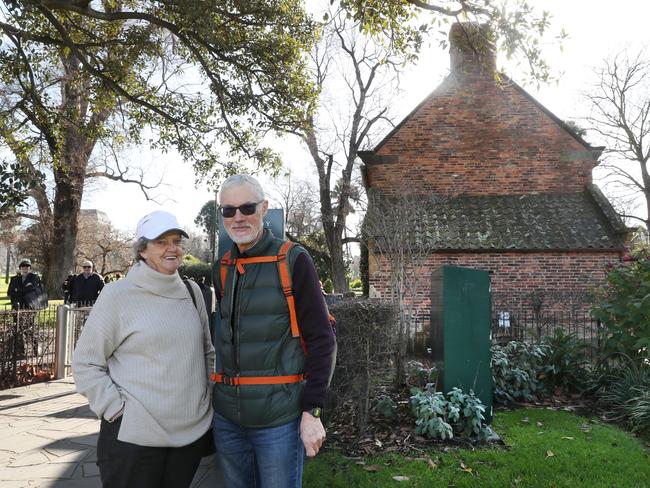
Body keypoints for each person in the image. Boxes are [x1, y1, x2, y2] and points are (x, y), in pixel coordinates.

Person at [72, 210, 215, 488]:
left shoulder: (192, 292)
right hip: (133, 440)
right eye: (162, 242)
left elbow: (206, 353)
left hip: (188, 438)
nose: (172, 248)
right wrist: (114, 409)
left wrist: (205, 401)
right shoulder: (118, 295)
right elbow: (86, 363)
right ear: (143, 250)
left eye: (176, 240)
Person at [212, 174, 336, 487]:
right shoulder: (222, 268)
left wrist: (312, 411)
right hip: (228, 419)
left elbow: (323, 340)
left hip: (278, 421)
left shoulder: (293, 259)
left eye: (247, 207)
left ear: (264, 208)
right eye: (228, 210)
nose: (238, 217)